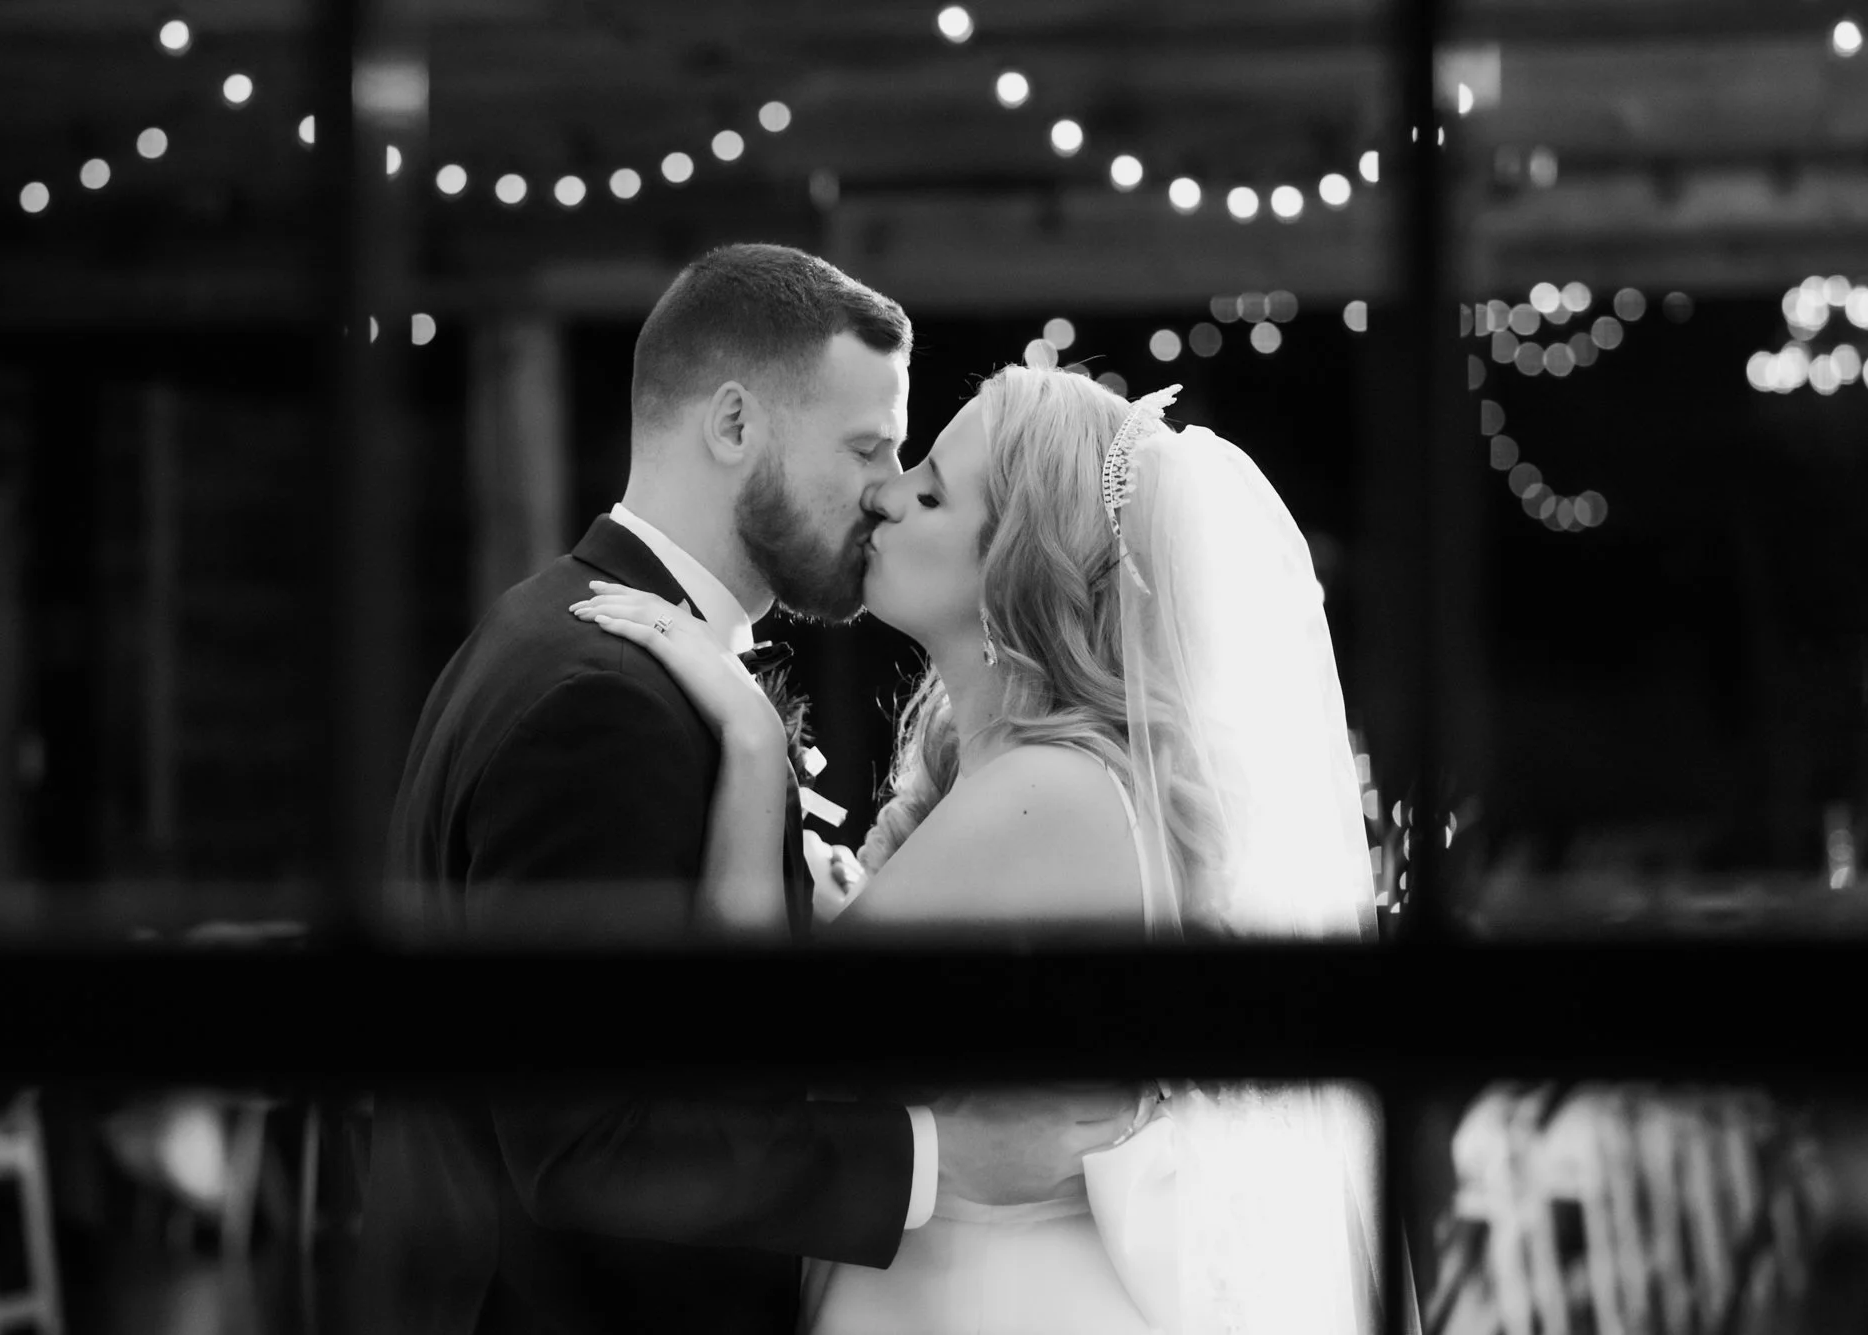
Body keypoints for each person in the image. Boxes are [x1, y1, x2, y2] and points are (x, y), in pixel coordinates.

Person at [356, 245, 1142, 1335]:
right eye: (869, 450)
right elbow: (591, 1142)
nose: (883, 490)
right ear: (732, 427)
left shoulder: (576, 644)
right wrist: (934, 1154)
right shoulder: (604, 701)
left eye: (912, 468)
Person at [578, 364, 1393, 1332]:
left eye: (927, 490)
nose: (883, 493)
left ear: (1014, 564)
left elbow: (749, 1054)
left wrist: (753, 753)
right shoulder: (1027, 778)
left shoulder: (1049, 793)